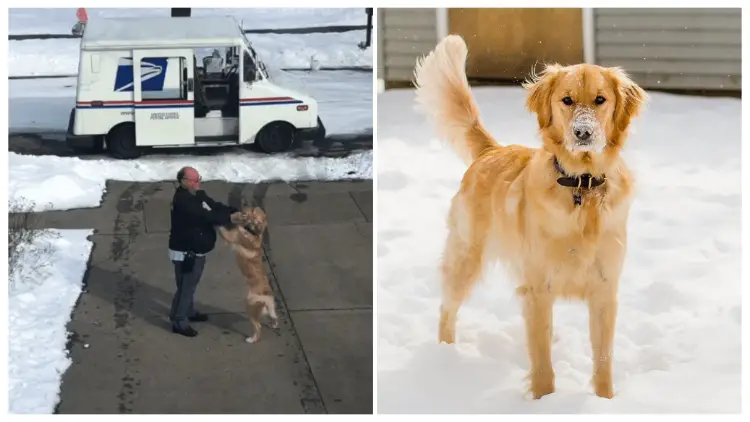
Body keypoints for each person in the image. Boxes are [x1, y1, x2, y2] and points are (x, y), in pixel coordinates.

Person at [168, 166, 246, 337]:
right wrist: (231, 218)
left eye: (199, 178)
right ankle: (178, 321)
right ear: (183, 182)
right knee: (185, 287)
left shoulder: (198, 195)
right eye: (194, 180)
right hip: (186, 253)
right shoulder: (183, 201)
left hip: (197, 252)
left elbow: (214, 207)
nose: (198, 182)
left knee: (190, 285)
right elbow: (207, 216)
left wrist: (233, 211)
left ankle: (188, 311)